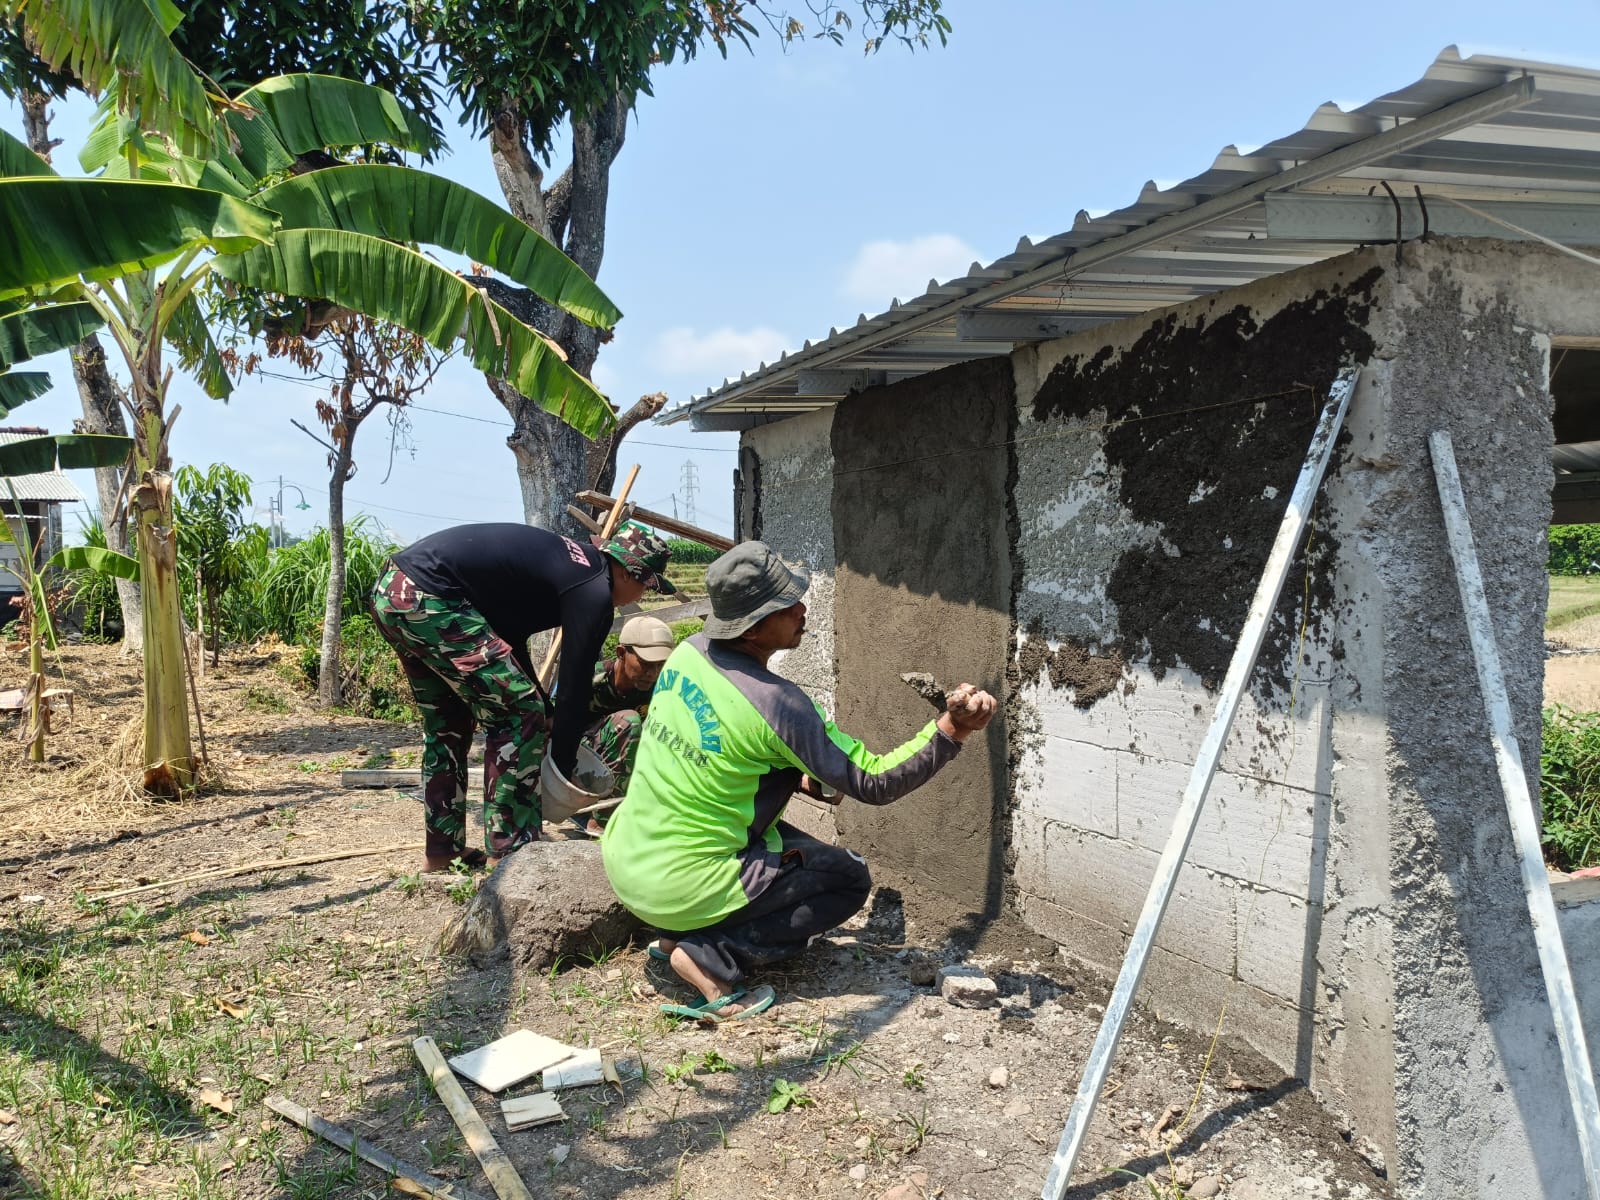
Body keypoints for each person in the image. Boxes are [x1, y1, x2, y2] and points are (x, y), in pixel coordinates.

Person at [601, 541, 997, 1022]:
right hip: (680, 884)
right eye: (786, 605)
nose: (801, 610)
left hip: (630, 858)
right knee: (847, 878)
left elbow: (720, 755)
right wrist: (952, 730)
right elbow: (875, 780)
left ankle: (671, 937)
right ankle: (711, 955)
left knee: (789, 848)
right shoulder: (778, 705)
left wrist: (797, 778)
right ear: (751, 626)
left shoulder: (689, 654)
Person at [369, 520, 675, 871]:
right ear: (628, 573)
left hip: (396, 590)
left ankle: (442, 852)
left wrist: (545, 706)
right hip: (433, 596)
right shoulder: (594, 589)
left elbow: (508, 638)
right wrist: (562, 769)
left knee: (449, 724)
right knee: (520, 714)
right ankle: (512, 855)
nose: (641, 597)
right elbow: (574, 685)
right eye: (646, 587)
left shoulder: (573, 568)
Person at [573, 614, 676, 836]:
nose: (652, 674)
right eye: (645, 664)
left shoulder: (661, 685)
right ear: (621, 653)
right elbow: (550, 726)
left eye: (660, 665)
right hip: (577, 763)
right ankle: (603, 818)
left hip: (621, 764)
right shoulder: (589, 678)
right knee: (629, 721)